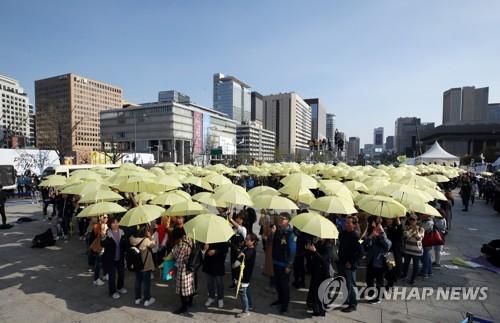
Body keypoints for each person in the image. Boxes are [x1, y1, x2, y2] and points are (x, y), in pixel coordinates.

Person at [270, 212, 297, 314]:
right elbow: (271, 243)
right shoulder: (277, 230)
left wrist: (289, 265)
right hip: (276, 262)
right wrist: (272, 233)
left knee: (284, 286)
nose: (280, 220)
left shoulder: (291, 234)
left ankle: (285, 306)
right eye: (280, 218)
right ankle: (280, 300)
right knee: (278, 284)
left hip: (285, 265)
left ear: (288, 220)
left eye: (283, 218)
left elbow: (293, 251)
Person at [364, 216, 391, 304]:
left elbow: (388, 245)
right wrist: (371, 236)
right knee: (369, 278)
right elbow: (365, 243)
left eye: (380, 218)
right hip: (371, 259)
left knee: (380, 280)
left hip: (381, 260)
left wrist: (382, 233)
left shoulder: (386, 230)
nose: (378, 220)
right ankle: (370, 291)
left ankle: (379, 297)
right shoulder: (372, 230)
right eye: (377, 218)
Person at [338, 215, 362, 313]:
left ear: (354, 225)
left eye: (349, 223)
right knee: (344, 283)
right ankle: (346, 299)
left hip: (350, 265)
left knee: (351, 284)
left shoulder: (356, 236)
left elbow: (361, 252)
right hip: (341, 262)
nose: (346, 224)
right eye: (346, 222)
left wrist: (351, 262)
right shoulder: (343, 233)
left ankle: (353, 304)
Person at [170, 227, 195, 316]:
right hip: (189, 268)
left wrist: (171, 269)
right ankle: (190, 302)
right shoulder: (188, 239)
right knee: (189, 287)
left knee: (182, 289)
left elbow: (179, 260)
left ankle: (184, 308)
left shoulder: (183, 246)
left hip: (183, 269)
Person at [101, 217, 128, 299]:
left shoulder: (122, 232)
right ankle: (112, 292)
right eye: (113, 223)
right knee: (112, 276)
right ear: (110, 224)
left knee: (121, 274)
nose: (116, 224)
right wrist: (103, 237)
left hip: (120, 257)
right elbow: (103, 244)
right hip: (111, 258)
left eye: (117, 222)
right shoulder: (107, 233)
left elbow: (125, 245)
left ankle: (120, 287)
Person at [233, 233, 258, 318]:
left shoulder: (249, 252)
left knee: (242, 293)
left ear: (253, 241)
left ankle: (245, 311)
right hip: (245, 276)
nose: (246, 240)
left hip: (243, 276)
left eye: (248, 239)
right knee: (246, 291)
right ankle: (250, 305)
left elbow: (236, 264)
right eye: (246, 239)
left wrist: (239, 256)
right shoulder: (247, 248)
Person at [129, 226, 156, 307]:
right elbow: (153, 245)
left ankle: (137, 298)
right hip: (146, 265)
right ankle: (147, 300)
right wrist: (150, 236)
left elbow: (131, 238)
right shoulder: (146, 240)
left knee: (138, 281)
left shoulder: (132, 239)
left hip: (137, 265)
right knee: (146, 283)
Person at [306, 238, 334, 317]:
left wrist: (314, 251)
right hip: (316, 271)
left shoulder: (328, 247)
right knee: (315, 291)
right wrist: (309, 249)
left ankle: (321, 311)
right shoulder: (318, 243)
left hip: (323, 273)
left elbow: (323, 260)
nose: (318, 237)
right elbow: (313, 256)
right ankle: (316, 310)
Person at [202, 241, 228, 308]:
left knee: (219, 283)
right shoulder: (207, 238)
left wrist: (215, 251)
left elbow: (225, 249)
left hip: (218, 265)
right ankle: (211, 297)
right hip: (208, 264)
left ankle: (220, 298)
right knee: (209, 283)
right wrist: (204, 248)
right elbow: (201, 249)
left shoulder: (222, 239)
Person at [402, 214, 425, 285]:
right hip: (408, 249)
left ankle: (413, 279)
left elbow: (419, 238)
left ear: (417, 221)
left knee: (416, 265)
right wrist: (412, 231)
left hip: (417, 251)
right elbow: (406, 236)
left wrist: (416, 231)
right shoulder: (407, 227)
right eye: (410, 219)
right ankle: (404, 274)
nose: (412, 221)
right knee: (406, 264)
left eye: (414, 219)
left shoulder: (421, 229)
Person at [229, 212, 247, 289]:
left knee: (238, 268)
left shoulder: (243, 229)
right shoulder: (233, 228)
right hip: (233, 251)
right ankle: (234, 282)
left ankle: (240, 284)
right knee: (233, 267)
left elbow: (239, 228)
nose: (238, 220)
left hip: (239, 252)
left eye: (240, 219)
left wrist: (230, 219)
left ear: (243, 220)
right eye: (237, 218)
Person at [384, 217, 403, 285]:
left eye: (390, 219)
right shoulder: (386, 228)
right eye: (388, 219)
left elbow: (400, 233)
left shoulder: (396, 228)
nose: (388, 220)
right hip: (388, 252)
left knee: (392, 269)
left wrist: (399, 223)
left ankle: (390, 284)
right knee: (390, 268)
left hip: (395, 251)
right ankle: (390, 282)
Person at [91, 214, 108, 286]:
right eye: (104, 217)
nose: (106, 218)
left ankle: (105, 274)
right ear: (100, 217)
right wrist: (102, 228)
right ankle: (96, 279)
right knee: (98, 263)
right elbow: (98, 235)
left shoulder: (106, 225)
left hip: (104, 246)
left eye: (107, 217)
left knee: (104, 261)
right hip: (99, 247)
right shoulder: (97, 226)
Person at [420, 213, 434, 278]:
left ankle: (425, 272)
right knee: (427, 257)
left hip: (427, 242)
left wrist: (419, 225)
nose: (420, 216)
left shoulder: (429, 222)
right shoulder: (424, 221)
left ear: (426, 215)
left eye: (422, 215)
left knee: (425, 257)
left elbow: (421, 230)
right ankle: (429, 271)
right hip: (425, 242)